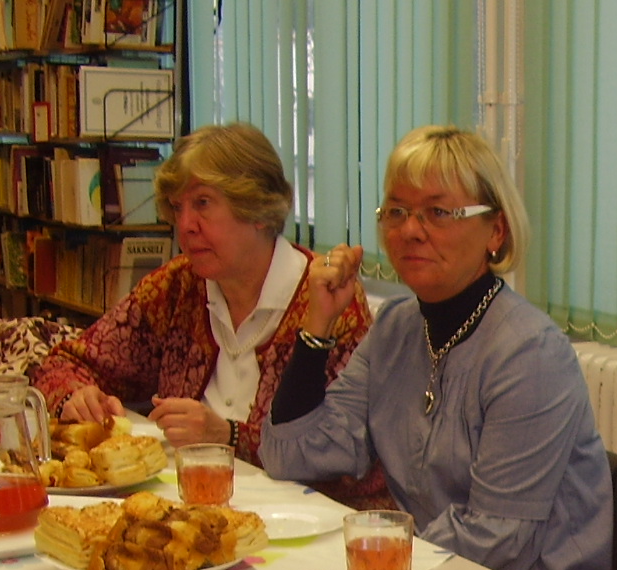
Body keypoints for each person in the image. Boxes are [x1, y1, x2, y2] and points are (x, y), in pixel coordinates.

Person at [259, 125, 611, 570]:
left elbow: (498, 538)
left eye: (438, 212)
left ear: (496, 230)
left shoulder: (530, 353)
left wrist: (374, 553)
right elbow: (290, 456)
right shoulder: (396, 328)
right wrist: (317, 324)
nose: (410, 230)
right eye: (396, 211)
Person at [34, 123, 388, 508]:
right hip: (190, 504)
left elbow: (345, 458)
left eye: (202, 203)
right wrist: (76, 396)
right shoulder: (177, 287)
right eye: (177, 207)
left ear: (258, 210)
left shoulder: (329, 301)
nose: (185, 225)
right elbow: (64, 363)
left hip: (304, 519)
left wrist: (228, 437)